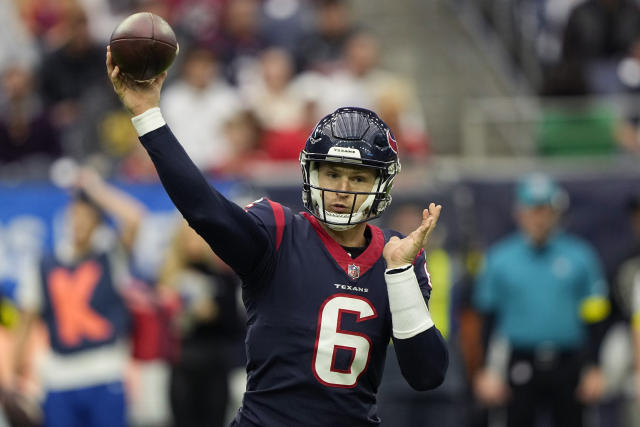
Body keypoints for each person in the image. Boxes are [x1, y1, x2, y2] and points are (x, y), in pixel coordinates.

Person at [106, 46, 448, 426]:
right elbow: (205, 210)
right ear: (312, 174)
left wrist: (399, 275)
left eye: (358, 177)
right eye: (332, 174)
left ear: (380, 185)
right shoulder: (280, 232)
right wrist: (148, 115)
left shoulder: (397, 256)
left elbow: (427, 374)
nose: (341, 188)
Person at [472, 173, 610, 427]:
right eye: (533, 209)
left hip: (570, 363)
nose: (539, 217)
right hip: (519, 361)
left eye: (545, 210)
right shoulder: (500, 259)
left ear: (556, 212)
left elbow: (596, 316)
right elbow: (486, 319)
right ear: (519, 212)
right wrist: (485, 371)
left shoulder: (580, 256)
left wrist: (595, 366)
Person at [11, 168, 145, 427]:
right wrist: (17, 371)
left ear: (97, 222)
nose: (79, 222)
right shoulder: (44, 264)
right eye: (75, 216)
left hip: (104, 370)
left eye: (87, 217)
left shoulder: (110, 256)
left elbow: (135, 218)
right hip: (60, 376)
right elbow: (25, 320)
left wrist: (96, 189)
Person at [159, 220, 245, 427]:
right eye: (187, 237)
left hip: (215, 364)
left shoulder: (223, 277)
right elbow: (158, 329)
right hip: (182, 364)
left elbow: (235, 327)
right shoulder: (168, 278)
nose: (193, 242)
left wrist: (215, 313)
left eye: (197, 236)